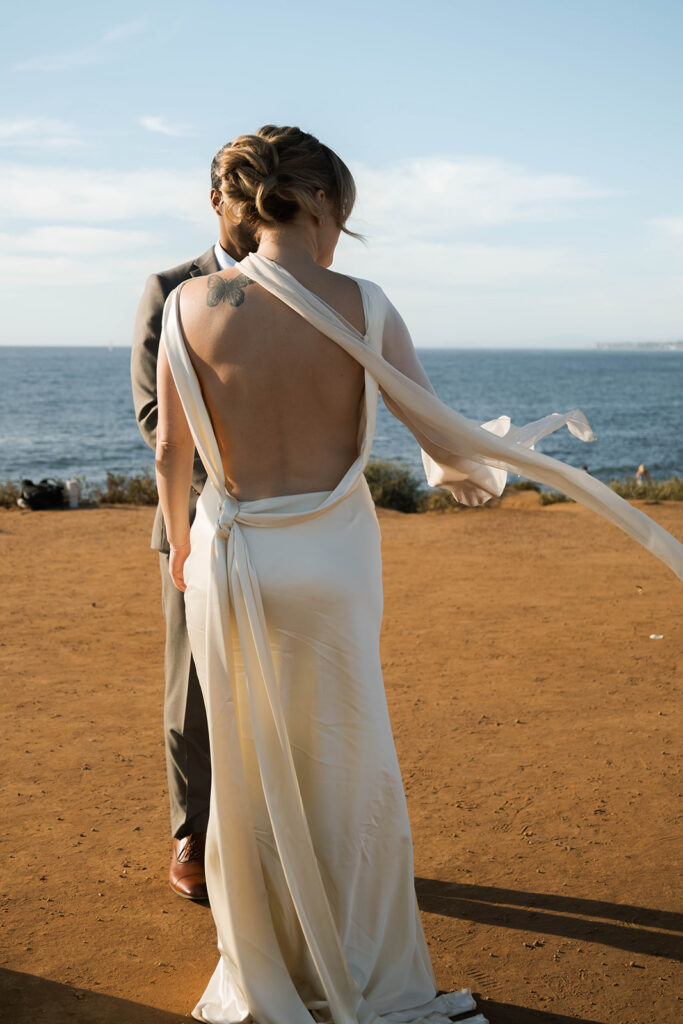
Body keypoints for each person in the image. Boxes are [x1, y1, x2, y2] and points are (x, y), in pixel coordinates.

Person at [156, 126, 683, 1024]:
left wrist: (181, 550)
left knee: (246, 774)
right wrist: (484, 471)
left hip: (227, 560)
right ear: (322, 200)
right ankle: (361, 974)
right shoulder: (362, 302)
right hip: (328, 564)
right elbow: (440, 440)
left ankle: (266, 971)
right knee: (347, 769)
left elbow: (172, 450)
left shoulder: (189, 305)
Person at [131, 146, 256, 901]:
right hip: (198, 513)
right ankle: (193, 828)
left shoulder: (299, 294)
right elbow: (154, 416)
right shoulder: (167, 288)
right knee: (192, 691)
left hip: (287, 518)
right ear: (215, 199)